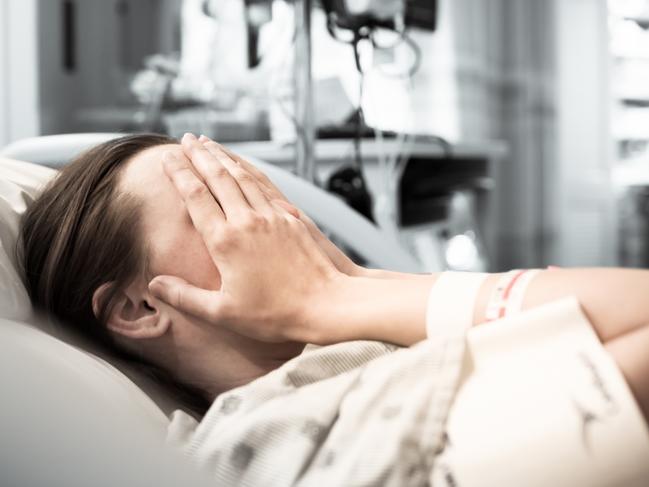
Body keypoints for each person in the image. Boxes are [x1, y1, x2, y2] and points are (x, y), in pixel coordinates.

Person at [19, 132, 649, 424]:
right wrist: (336, 295)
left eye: (254, 189)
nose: (275, 220)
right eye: (218, 206)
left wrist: (354, 287)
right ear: (137, 308)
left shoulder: (362, 337)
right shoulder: (278, 438)